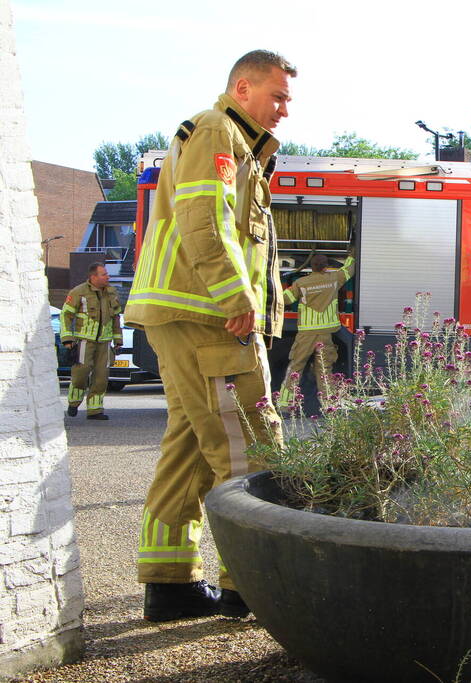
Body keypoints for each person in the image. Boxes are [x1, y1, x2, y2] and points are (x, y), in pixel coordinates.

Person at [123, 49, 296, 621]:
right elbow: (206, 220)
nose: (284, 110)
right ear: (242, 88)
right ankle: (250, 584)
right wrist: (235, 295)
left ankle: (169, 583)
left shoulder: (233, 139)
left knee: (193, 447)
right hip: (208, 317)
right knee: (251, 445)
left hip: (186, 315)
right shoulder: (220, 131)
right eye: (277, 96)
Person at [279, 251, 356, 407]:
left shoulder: (301, 283)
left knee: (296, 367)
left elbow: (284, 299)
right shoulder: (334, 279)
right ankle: (329, 405)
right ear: (326, 267)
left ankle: (285, 403)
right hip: (325, 334)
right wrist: (352, 254)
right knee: (324, 370)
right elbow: (349, 269)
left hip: (306, 334)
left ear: (311, 267)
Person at [60, 262, 122, 420]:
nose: (108, 276)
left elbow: (116, 318)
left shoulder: (112, 292)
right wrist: (67, 338)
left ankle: (95, 410)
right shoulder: (78, 292)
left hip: (105, 342)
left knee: (101, 377)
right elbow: (66, 315)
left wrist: (118, 340)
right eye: (104, 274)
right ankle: (74, 402)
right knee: (80, 373)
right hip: (84, 341)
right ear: (93, 277)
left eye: (107, 274)